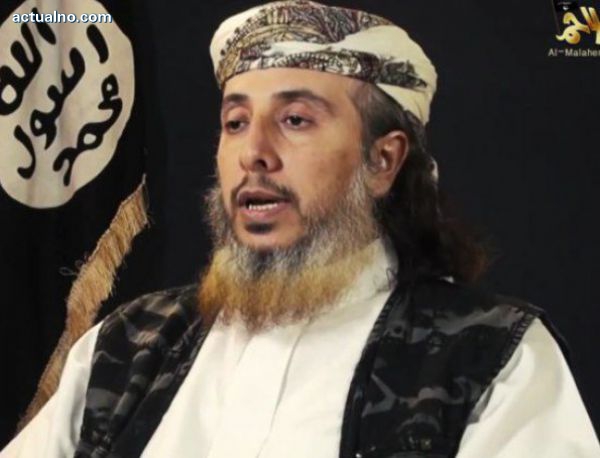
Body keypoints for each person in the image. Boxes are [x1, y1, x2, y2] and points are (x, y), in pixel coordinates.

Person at [3, 1, 599, 457]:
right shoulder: (126, 347)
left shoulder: (489, 358)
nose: (254, 153)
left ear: (383, 160)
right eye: (236, 122)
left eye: (294, 119)